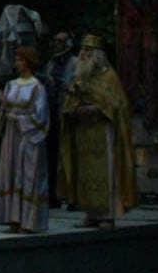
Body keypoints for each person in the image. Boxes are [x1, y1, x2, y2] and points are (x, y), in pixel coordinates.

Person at [56, 33, 134, 226]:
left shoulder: (109, 77)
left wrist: (95, 108)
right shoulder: (81, 78)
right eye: (82, 50)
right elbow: (69, 103)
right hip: (84, 133)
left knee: (105, 175)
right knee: (85, 175)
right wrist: (72, 110)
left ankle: (107, 215)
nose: (83, 55)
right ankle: (91, 214)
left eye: (88, 51)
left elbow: (116, 105)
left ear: (97, 54)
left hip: (102, 132)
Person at [0, 47, 52, 233]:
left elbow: (41, 116)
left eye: (19, 60)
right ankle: (13, 218)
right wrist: (2, 104)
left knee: (28, 175)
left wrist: (20, 120)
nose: (16, 63)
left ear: (28, 62)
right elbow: (5, 110)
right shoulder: (11, 84)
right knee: (10, 172)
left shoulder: (37, 86)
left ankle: (30, 221)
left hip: (28, 137)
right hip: (11, 136)